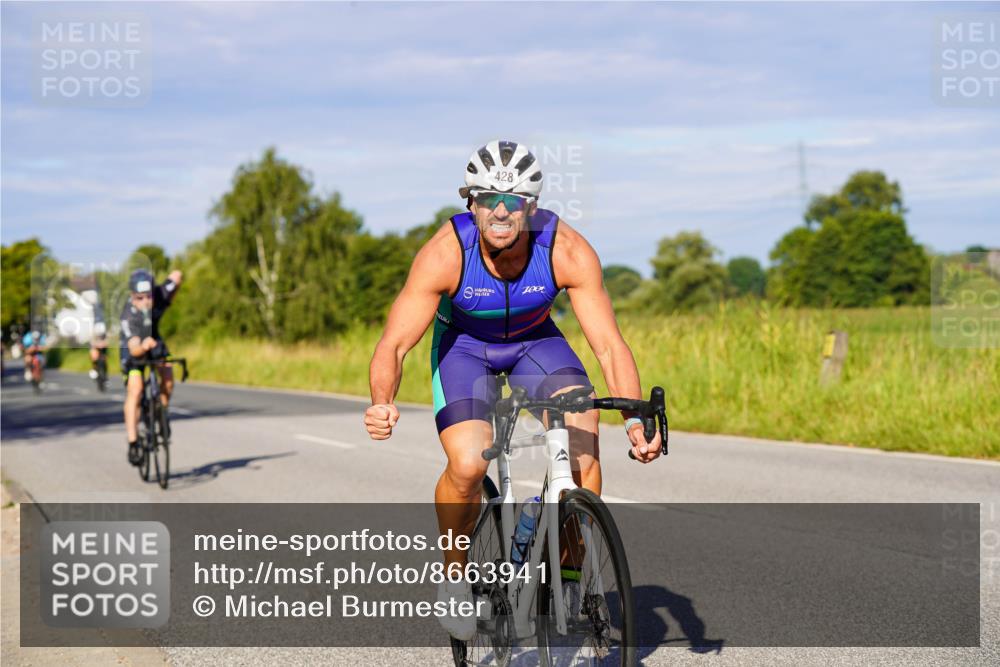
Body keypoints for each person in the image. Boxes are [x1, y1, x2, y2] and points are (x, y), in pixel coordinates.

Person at [365, 140, 662, 640]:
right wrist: (382, 402)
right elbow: (394, 343)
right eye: (488, 199)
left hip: (534, 344)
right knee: (468, 463)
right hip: (464, 348)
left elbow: (609, 344)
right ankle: (455, 579)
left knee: (583, 448)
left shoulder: (566, 249)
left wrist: (634, 419)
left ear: (533, 205)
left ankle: (568, 576)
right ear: (470, 202)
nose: (501, 211)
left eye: (514, 200)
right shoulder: (445, 253)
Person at [119, 268, 182, 465]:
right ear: (132, 297)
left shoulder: (160, 295)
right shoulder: (129, 315)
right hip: (134, 347)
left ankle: (161, 412)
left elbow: (177, 276)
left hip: (154, 341)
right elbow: (135, 348)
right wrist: (143, 346)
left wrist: (171, 286)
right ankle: (133, 441)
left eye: (149, 296)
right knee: (136, 390)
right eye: (139, 298)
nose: (145, 301)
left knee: (168, 378)